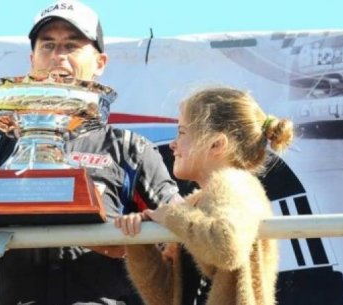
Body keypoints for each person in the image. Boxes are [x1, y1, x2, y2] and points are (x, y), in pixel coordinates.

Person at [0, 1, 181, 304]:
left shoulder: (129, 149)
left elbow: (177, 226)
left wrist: (122, 236)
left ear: (100, 62)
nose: (58, 56)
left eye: (71, 45)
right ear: (31, 59)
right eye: (48, 45)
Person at [117, 88, 293, 305]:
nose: (173, 144)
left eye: (181, 133)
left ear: (217, 144)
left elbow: (228, 248)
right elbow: (166, 298)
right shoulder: (197, 202)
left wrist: (172, 215)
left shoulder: (235, 183)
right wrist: (140, 242)